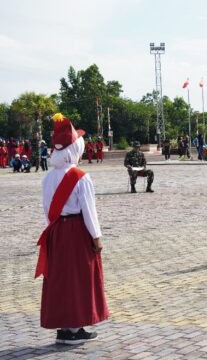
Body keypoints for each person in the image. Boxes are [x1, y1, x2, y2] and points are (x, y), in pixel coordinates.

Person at [35, 113, 108, 345]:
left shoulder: (47, 178)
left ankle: (64, 328)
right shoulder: (80, 177)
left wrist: (53, 233)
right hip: (77, 232)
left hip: (56, 232)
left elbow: (47, 211)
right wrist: (96, 238)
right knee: (79, 278)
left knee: (61, 280)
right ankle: (76, 329)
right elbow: (89, 211)